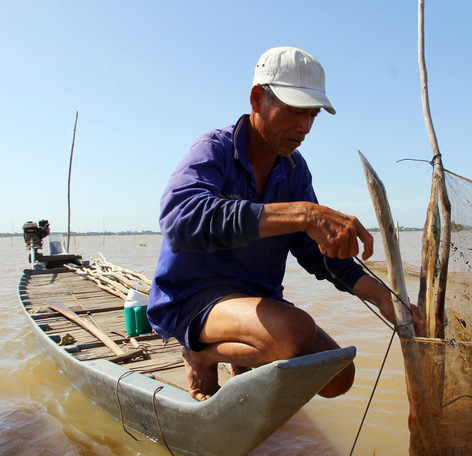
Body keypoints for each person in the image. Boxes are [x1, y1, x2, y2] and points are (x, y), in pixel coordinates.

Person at [148, 46, 418, 402]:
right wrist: (304, 214)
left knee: (338, 375)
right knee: (294, 331)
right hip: (193, 300)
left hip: (257, 302)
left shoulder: (293, 170)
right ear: (257, 99)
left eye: (312, 116)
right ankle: (200, 352)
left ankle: (240, 359)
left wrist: (385, 298)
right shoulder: (214, 149)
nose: (304, 127)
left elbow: (316, 253)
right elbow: (180, 219)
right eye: (294, 111)